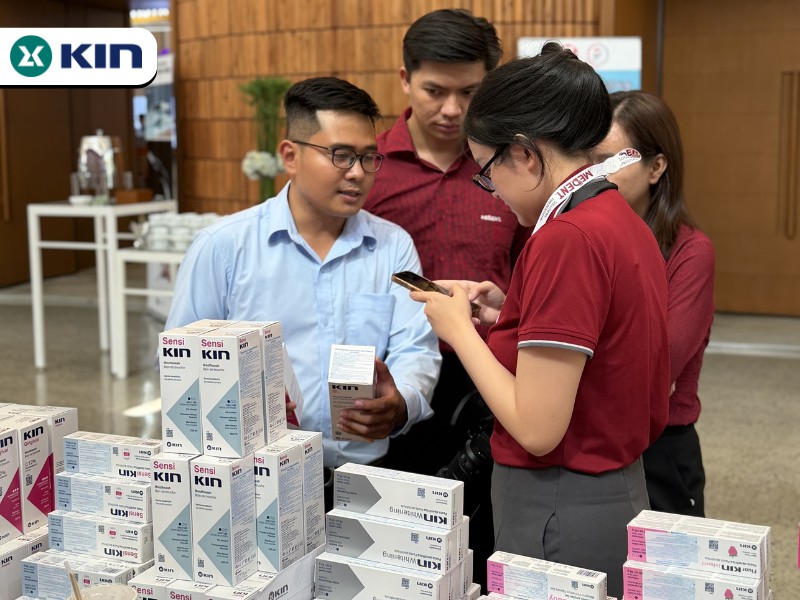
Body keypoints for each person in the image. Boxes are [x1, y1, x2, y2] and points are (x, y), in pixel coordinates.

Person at [407, 44, 670, 600]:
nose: (494, 193)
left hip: (561, 501)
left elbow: (537, 427)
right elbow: (604, 344)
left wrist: (458, 330)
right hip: (609, 487)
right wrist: (510, 312)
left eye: (488, 172)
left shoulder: (566, 238)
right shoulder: (614, 216)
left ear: (524, 154)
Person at [164, 77, 441, 486]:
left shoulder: (392, 246)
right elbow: (178, 366)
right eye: (341, 155)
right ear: (290, 156)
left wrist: (400, 403)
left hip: (364, 475)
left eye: (368, 157)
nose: (358, 173)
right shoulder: (223, 247)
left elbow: (415, 347)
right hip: (256, 477)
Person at [364, 3, 528, 496]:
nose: (453, 109)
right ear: (405, 79)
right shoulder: (369, 170)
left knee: (484, 519)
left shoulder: (513, 169)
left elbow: (529, 267)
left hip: (490, 373)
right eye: (435, 91)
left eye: (469, 92)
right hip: (393, 372)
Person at [593, 91, 715, 517]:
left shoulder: (691, 252)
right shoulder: (587, 237)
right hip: (593, 435)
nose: (596, 173)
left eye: (611, 160)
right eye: (589, 159)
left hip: (661, 444)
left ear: (656, 167)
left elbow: (658, 364)